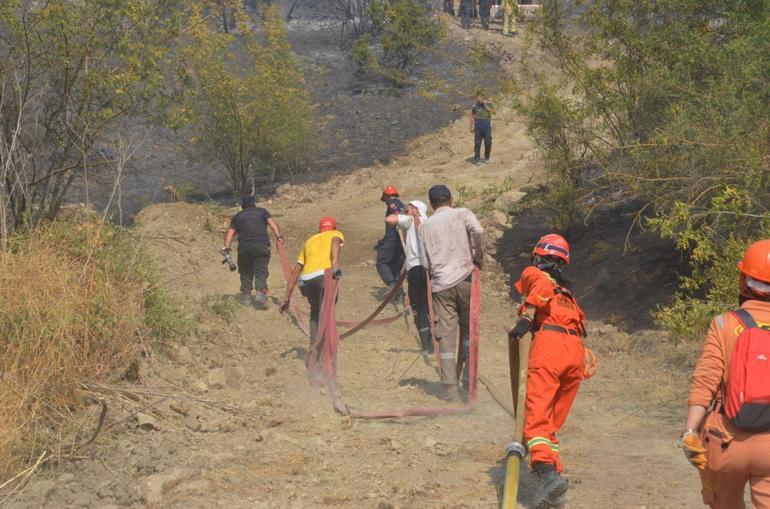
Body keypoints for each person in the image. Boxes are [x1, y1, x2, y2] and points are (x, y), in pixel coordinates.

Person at [682, 239, 770, 509]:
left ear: (744, 280)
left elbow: (705, 379)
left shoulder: (724, 323)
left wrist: (690, 431)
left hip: (726, 442)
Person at [507, 234, 586, 509]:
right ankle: (554, 474)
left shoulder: (534, 273)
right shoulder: (567, 292)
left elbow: (537, 285)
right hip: (575, 352)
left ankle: (546, 471)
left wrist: (527, 316)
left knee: (538, 414)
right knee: (552, 419)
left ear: (538, 256)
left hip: (549, 347)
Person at [419, 185, 484, 400]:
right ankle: (468, 377)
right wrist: (478, 257)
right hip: (466, 279)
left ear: (431, 204)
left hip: (441, 286)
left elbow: (424, 261)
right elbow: (479, 231)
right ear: (451, 200)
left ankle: (449, 387)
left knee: (445, 336)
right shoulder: (462, 213)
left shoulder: (425, 226)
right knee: (468, 330)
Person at [280, 217, 344, 342]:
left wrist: (286, 299)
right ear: (334, 228)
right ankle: (326, 344)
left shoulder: (309, 241)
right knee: (328, 310)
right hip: (323, 276)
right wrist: (335, 266)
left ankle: (314, 346)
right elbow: (336, 241)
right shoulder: (335, 234)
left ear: (320, 229)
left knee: (315, 311)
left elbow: (296, 271)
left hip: (306, 280)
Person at [385, 200, 434, 354]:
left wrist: (400, 214)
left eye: (408, 209)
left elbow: (389, 219)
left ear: (415, 210)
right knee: (430, 305)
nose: (406, 212)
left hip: (416, 267)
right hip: (432, 269)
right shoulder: (432, 222)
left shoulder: (411, 219)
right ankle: (435, 340)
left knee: (418, 307)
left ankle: (427, 343)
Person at [223, 195, 283, 306]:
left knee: (245, 271)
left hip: (244, 248)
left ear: (242, 205)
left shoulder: (237, 216)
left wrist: (227, 248)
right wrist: (279, 237)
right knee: (261, 269)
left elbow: (230, 233)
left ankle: (246, 295)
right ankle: (260, 291)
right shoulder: (262, 212)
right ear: (254, 203)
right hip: (262, 246)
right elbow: (273, 224)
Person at [376, 186, 407, 294]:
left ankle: (392, 284)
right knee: (395, 269)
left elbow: (396, 212)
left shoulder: (392, 202)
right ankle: (399, 295)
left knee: (381, 263)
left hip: (392, 239)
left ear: (387, 196)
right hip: (401, 240)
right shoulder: (402, 204)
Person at [470, 91, 495, 164]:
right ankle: (477, 158)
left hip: (487, 127)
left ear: (483, 97)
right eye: (477, 98)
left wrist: (484, 104)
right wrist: (471, 127)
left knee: (488, 143)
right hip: (478, 127)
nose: (478, 99)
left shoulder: (489, 104)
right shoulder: (474, 106)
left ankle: (487, 157)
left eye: (480, 98)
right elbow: (472, 117)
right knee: (477, 143)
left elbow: (491, 111)